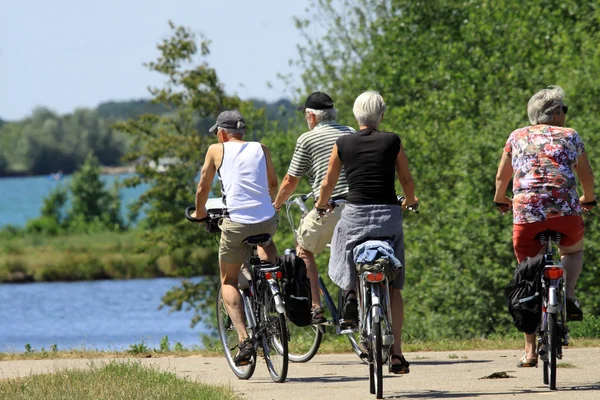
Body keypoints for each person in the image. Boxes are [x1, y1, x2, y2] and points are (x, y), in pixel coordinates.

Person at [316, 91, 418, 374]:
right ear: (381, 115)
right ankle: (396, 354)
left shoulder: (343, 143)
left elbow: (328, 182)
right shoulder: (392, 141)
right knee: (394, 285)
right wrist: (411, 201)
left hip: (355, 215)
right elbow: (406, 179)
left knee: (342, 242)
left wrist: (321, 204)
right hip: (388, 217)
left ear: (356, 116)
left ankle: (349, 291)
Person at [494, 85, 595, 367]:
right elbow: (586, 176)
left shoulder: (516, 136)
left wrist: (501, 200)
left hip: (526, 214)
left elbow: (502, 179)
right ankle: (570, 295)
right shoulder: (571, 136)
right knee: (573, 251)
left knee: (527, 278)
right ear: (553, 113)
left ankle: (528, 351)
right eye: (563, 109)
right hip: (565, 211)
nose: (565, 114)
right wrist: (589, 198)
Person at [193, 110, 279, 366]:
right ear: (242, 132)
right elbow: (272, 184)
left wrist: (199, 213)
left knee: (228, 280)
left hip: (236, 223)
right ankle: (273, 284)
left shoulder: (215, 150)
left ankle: (245, 341)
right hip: (267, 220)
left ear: (221, 133)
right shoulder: (261, 148)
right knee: (265, 240)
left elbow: (203, 187)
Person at [273, 92, 355, 324]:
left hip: (329, 206)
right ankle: (356, 298)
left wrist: (277, 205)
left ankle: (315, 308)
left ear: (311, 116)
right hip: (358, 205)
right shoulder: (350, 132)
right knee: (352, 248)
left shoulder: (307, 139)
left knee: (303, 247)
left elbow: (291, 180)